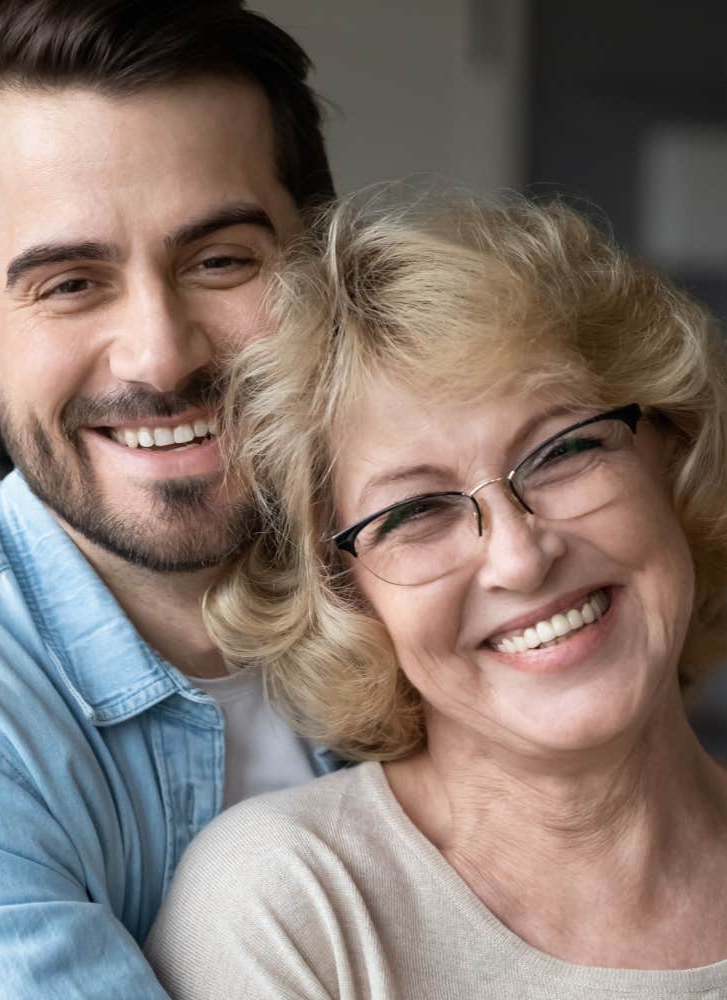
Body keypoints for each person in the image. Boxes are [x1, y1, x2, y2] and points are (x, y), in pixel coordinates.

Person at [146, 187, 727, 998]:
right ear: (346, 596)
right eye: (415, 513)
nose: (519, 558)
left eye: (563, 451)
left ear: (671, 452)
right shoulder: (293, 908)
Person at [0, 1, 339, 996]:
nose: (160, 353)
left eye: (220, 261)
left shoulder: (451, 576)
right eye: (71, 283)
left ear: (328, 279)